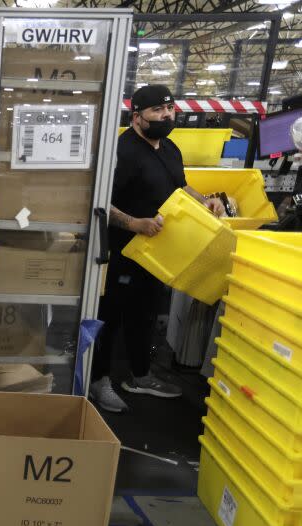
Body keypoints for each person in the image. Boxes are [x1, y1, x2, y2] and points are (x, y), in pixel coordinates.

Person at [89, 84, 226, 413]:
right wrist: (134, 223)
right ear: (137, 117)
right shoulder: (122, 152)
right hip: (123, 251)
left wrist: (203, 199)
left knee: (145, 314)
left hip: (160, 253)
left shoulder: (170, 148)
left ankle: (139, 376)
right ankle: (98, 380)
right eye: (158, 111)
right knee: (111, 316)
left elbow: (179, 185)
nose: (167, 115)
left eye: (170, 109)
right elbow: (98, 202)